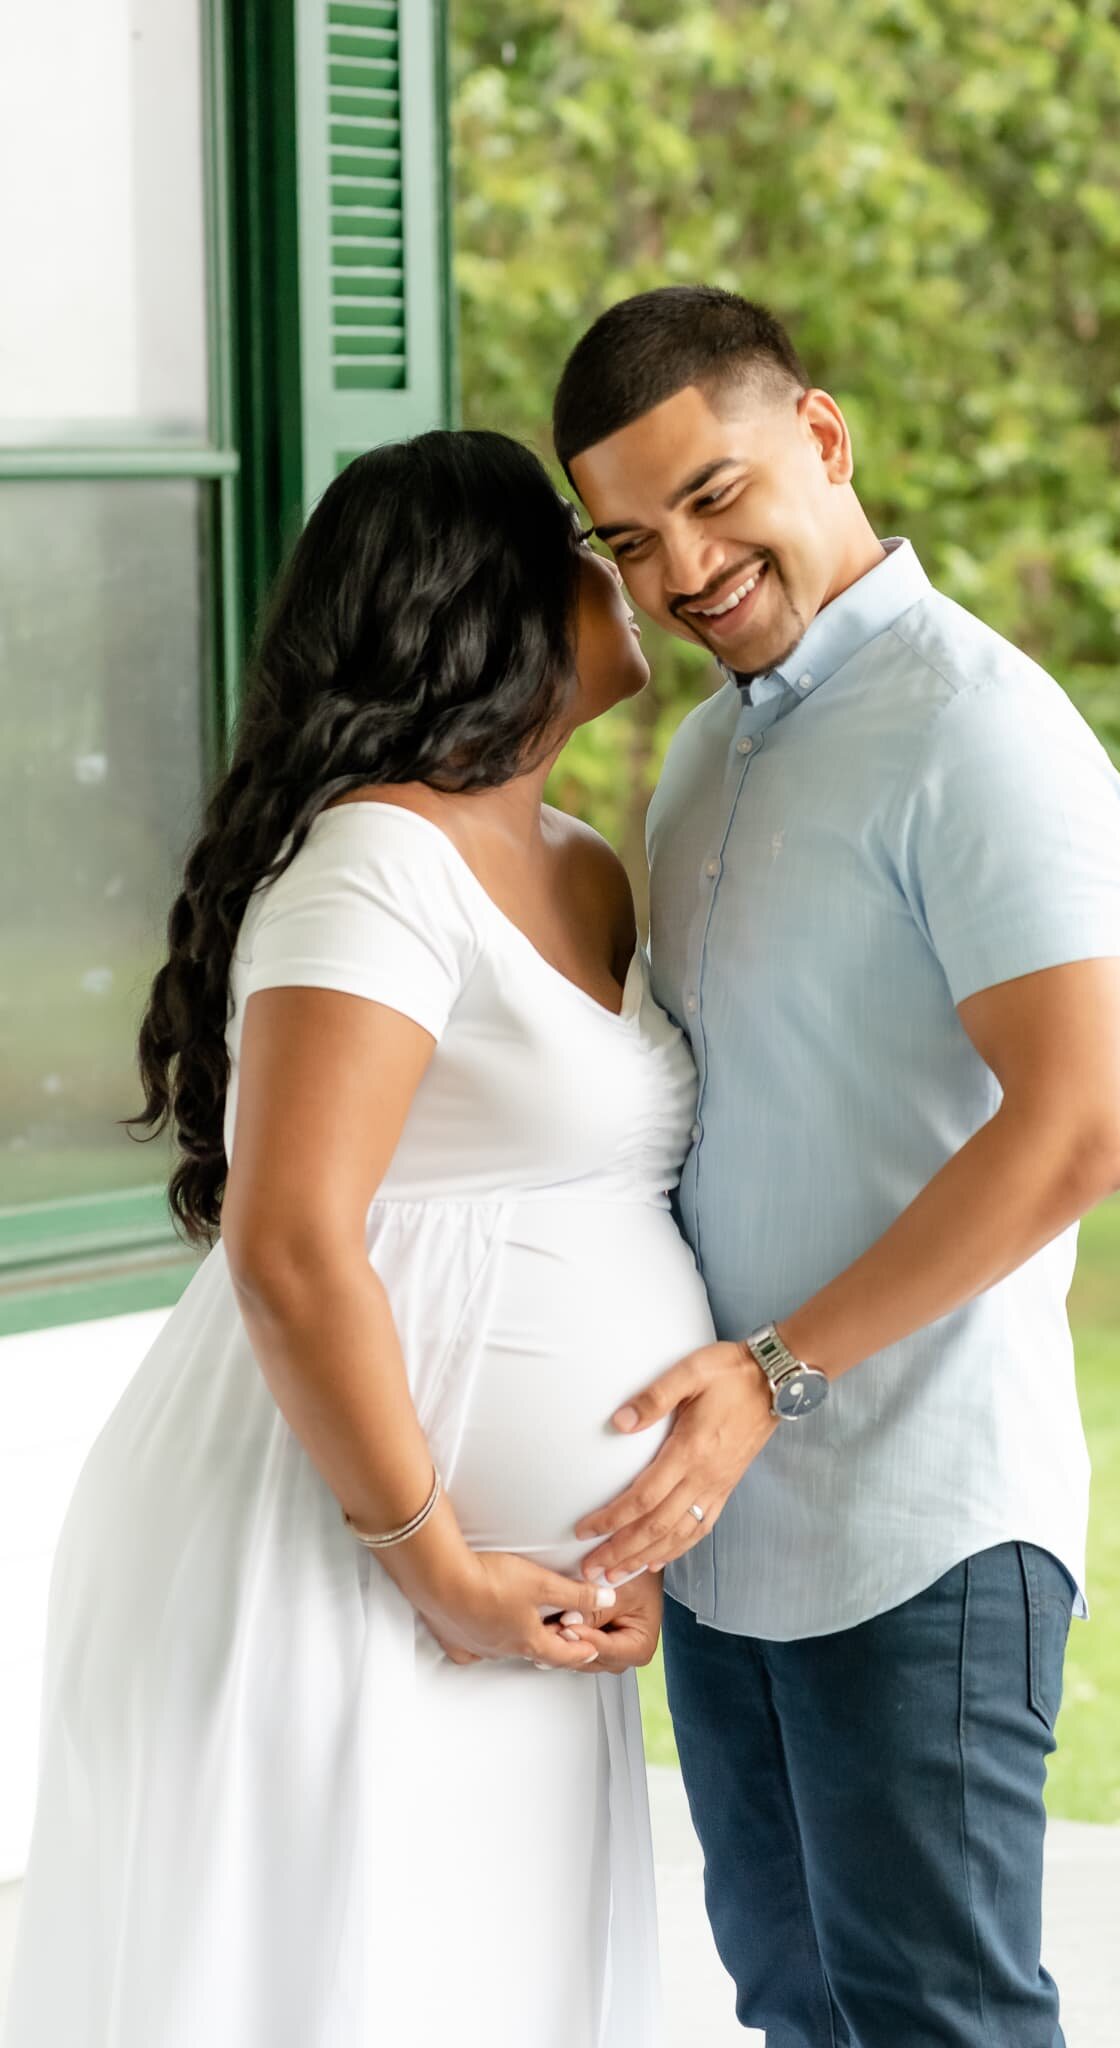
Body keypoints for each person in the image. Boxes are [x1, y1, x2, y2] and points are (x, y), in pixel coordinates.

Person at [2, 429, 717, 2048]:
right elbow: (292, 1244)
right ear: (487, 599)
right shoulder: (376, 864)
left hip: (504, 1590)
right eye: (581, 543)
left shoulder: (585, 868)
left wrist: (583, 1551)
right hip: (328, 1553)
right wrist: (437, 1562)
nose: (622, 575)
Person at [554, 285, 1120, 2048]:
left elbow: (1085, 1121)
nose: (685, 568)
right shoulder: (702, 750)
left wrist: (777, 1375)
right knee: (799, 2010)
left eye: (717, 496)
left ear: (822, 436)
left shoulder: (985, 728)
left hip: (919, 1516)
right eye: (633, 538)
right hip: (733, 1529)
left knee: (937, 2021)